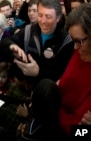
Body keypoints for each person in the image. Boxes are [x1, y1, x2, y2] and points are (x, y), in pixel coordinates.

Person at [0, 0, 74, 83]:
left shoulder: (66, 41)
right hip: (23, 86)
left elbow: (63, 74)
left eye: (48, 16)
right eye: (40, 15)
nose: (43, 21)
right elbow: (5, 42)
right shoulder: (28, 30)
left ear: (58, 18)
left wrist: (38, 72)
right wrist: (12, 46)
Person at [57, 3, 91, 139]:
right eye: (73, 41)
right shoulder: (81, 52)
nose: (75, 47)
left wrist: (51, 107)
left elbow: (78, 132)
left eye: (79, 41)